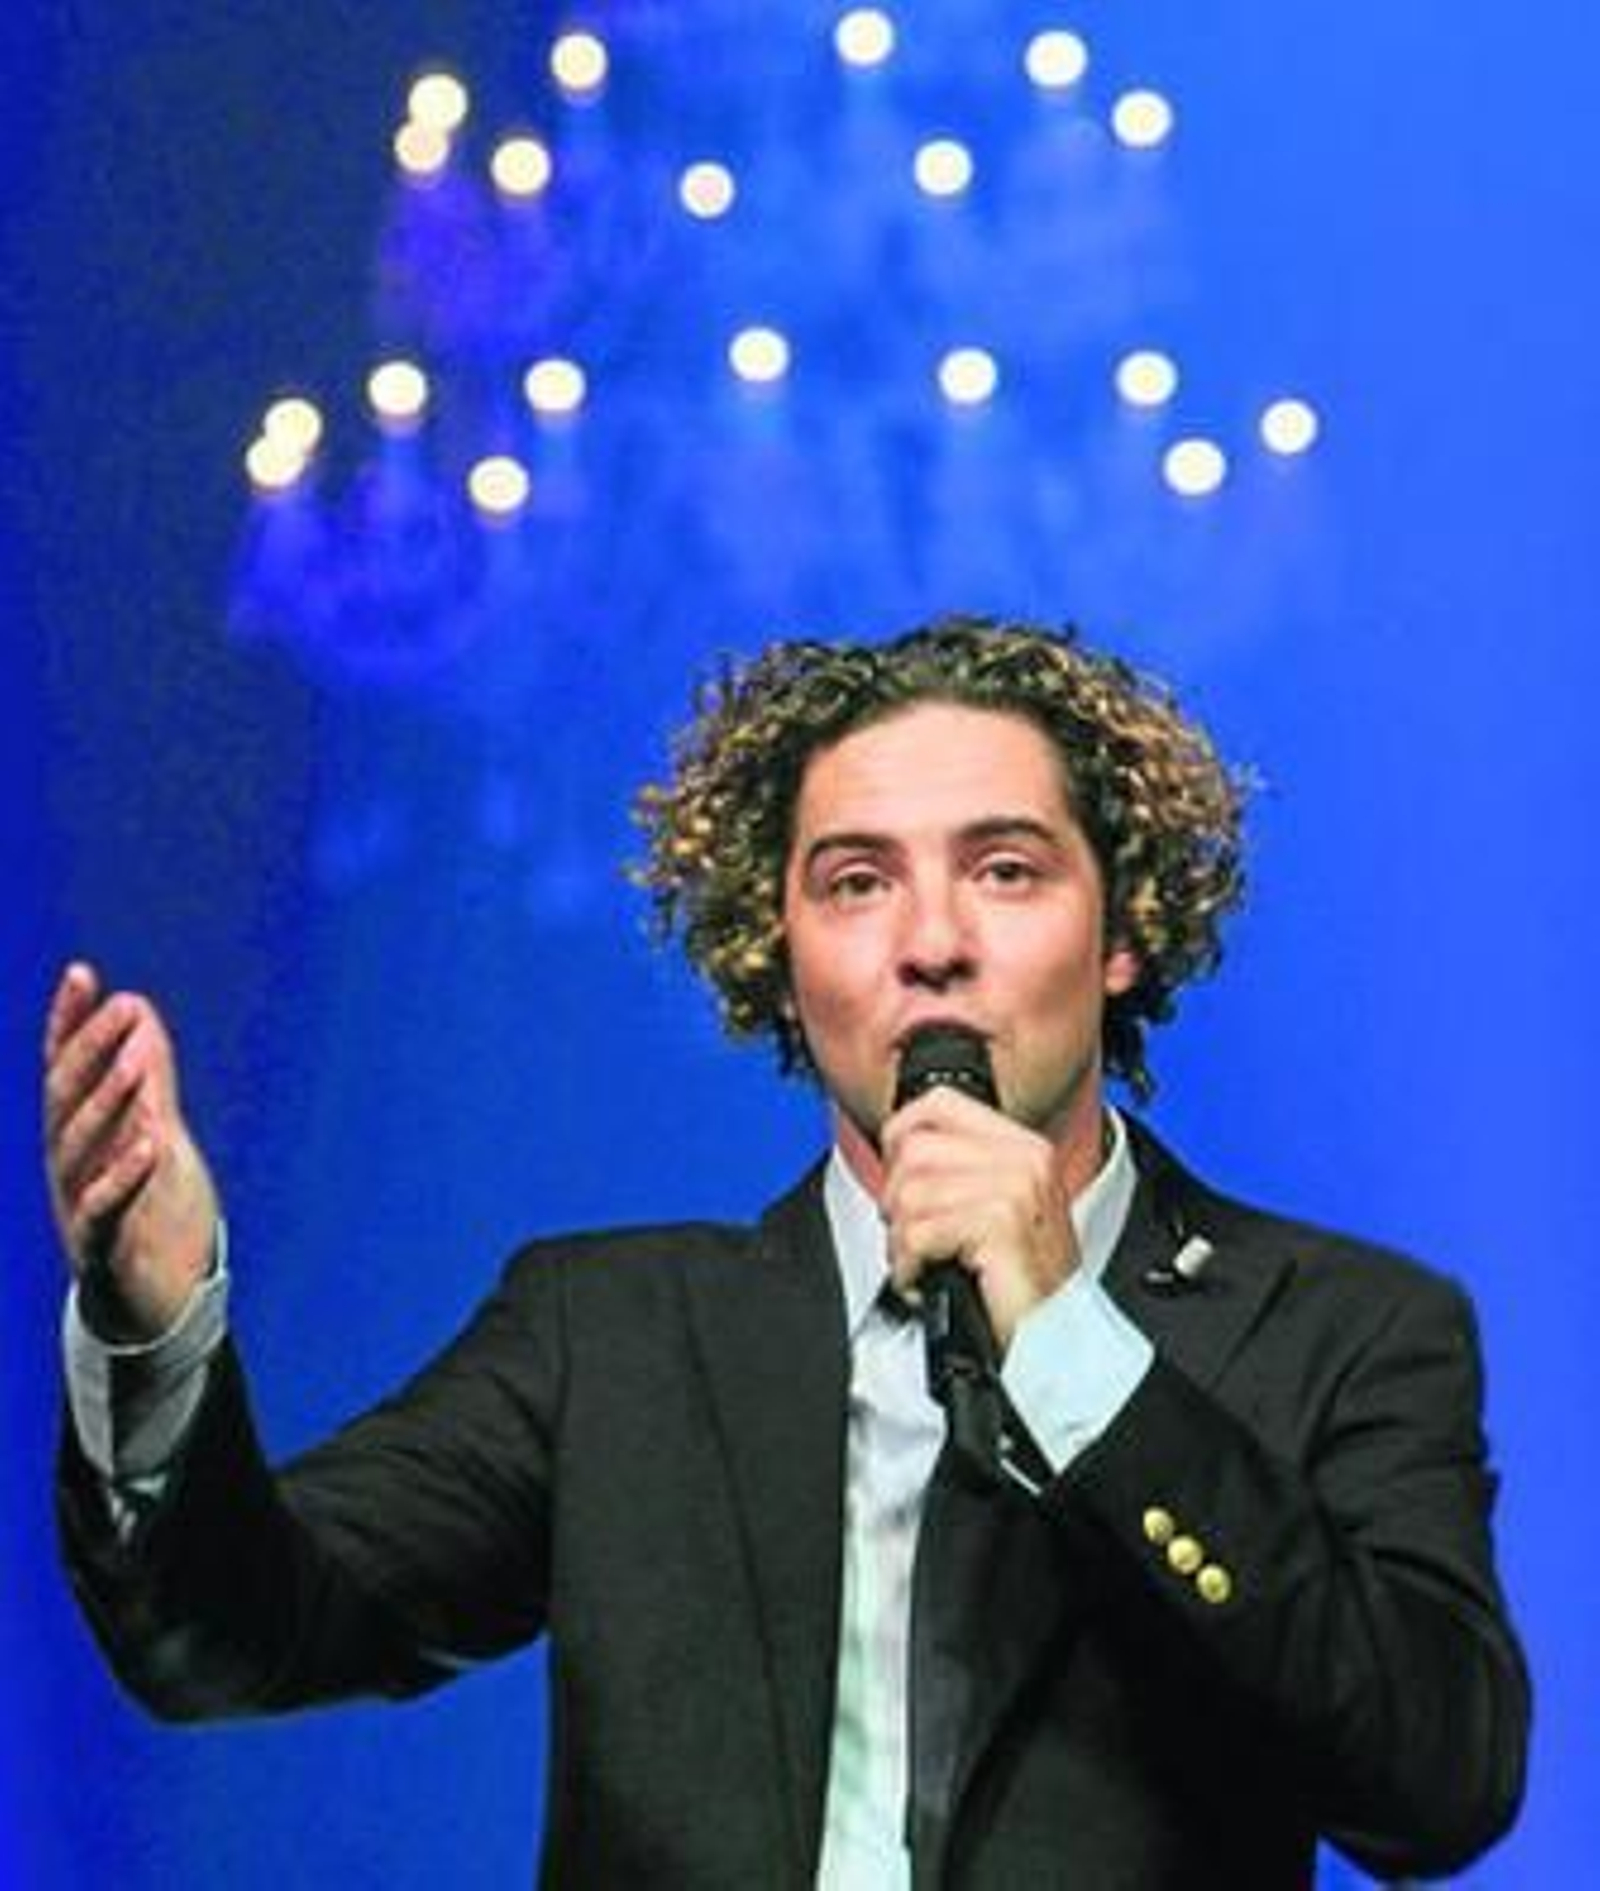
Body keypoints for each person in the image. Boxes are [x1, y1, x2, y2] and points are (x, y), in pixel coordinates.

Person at [47, 615, 1528, 1888]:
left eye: (1006, 870)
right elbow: (230, 1639)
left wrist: (1073, 1348)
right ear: (784, 954)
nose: (929, 942)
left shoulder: (1344, 1325)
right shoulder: (609, 1332)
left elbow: (1435, 1783)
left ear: (1123, 928)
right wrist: (154, 1319)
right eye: (856, 881)